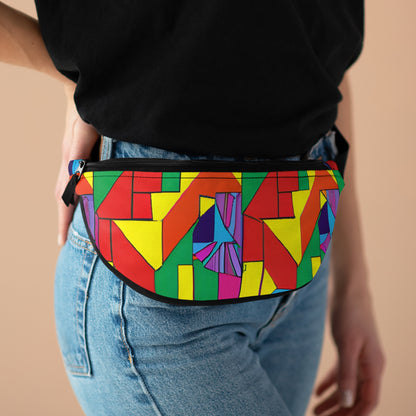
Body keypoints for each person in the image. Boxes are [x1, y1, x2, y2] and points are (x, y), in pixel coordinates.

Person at [0, 1, 385, 415]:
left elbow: (324, 55)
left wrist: (353, 286)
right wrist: (74, 80)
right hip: (155, 277)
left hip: (301, 243)